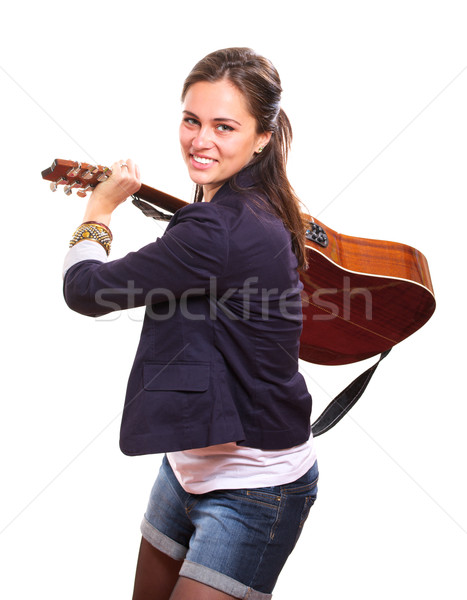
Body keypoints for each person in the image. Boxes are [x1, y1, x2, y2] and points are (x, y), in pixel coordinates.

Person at [63, 47, 318, 600]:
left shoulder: (218, 230)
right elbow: (194, 246)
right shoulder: (257, 200)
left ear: (262, 137)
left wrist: (97, 213)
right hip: (185, 467)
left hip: (254, 487)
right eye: (191, 120)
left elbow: (83, 290)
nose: (200, 141)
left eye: (224, 126)